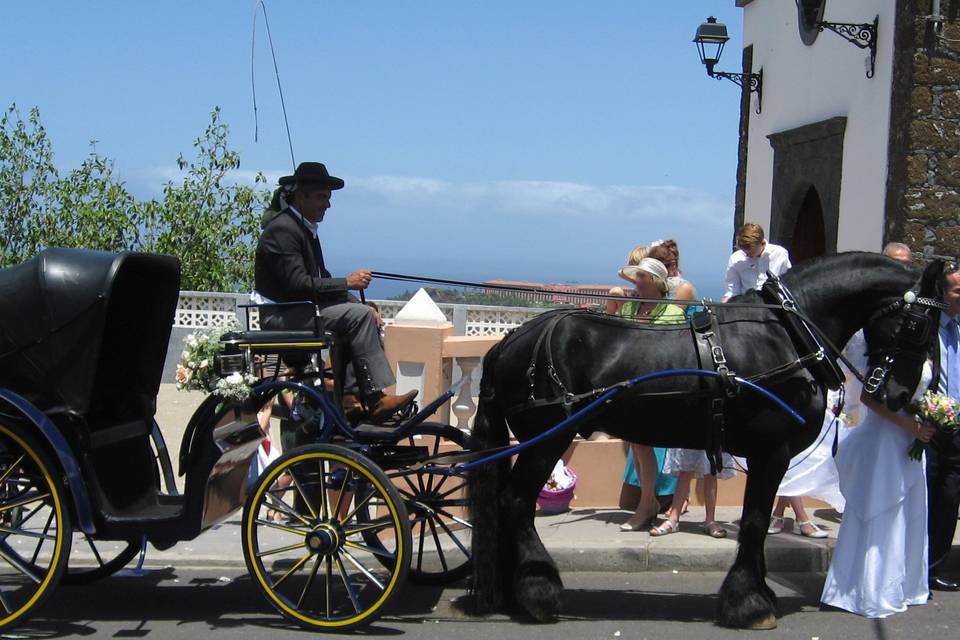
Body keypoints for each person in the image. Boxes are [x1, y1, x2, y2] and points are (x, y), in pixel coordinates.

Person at [254, 161, 417, 423]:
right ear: (301, 196)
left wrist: (359, 302)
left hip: (299, 312)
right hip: (281, 316)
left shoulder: (305, 230)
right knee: (358, 317)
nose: (327, 205)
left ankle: (352, 400)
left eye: (328, 198)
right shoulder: (283, 230)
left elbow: (321, 280)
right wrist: (349, 284)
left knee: (363, 314)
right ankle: (373, 399)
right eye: (321, 197)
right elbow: (299, 285)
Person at [820, 355, 936, 617]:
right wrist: (908, 424)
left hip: (912, 439)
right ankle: (870, 589)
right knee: (882, 511)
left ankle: (904, 586)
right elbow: (868, 397)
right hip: (885, 439)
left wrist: (931, 417)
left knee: (909, 513)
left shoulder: (921, 350)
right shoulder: (887, 350)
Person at [613, 257, 686, 531]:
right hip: (632, 386)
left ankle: (647, 505)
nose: (637, 281)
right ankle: (648, 503)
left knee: (645, 446)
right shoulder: (631, 306)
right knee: (639, 447)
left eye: (642, 277)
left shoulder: (672, 313)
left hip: (657, 389)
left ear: (655, 281)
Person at [928, 262, 960, 591]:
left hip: (959, 427)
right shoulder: (928, 329)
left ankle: (936, 564)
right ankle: (917, 565)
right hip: (931, 425)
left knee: (950, 497)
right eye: (957, 291)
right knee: (927, 496)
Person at [722, 223, 791, 302]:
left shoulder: (780, 254)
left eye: (751, 251)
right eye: (744, 251)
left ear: (762, 243)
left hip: (774, 305)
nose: (747, 254)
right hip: (748, 306)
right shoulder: (736, 259)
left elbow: (788, 283)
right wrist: (727, 301)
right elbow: (733, 290)